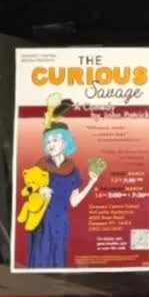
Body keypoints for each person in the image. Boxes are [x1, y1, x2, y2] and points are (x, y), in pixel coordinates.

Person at [25, 107, 99, 269]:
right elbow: (28, 190)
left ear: (65, 142)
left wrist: (92, 182)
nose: (51, 144)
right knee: (41, 261)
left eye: (55, 140)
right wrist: (39, 190)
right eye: (48, 141)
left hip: (61, 224)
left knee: (58, 262)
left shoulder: (73, 171)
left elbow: (74, 202)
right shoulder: (41, 166)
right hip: (42, 223)